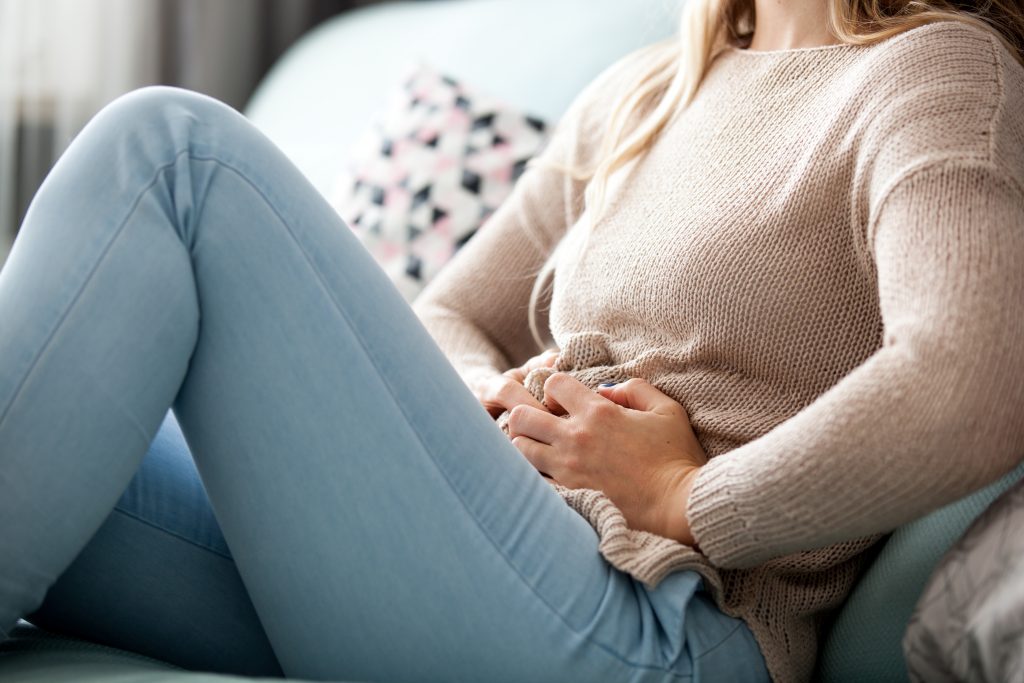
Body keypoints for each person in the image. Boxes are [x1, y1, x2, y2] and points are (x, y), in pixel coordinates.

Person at [1, 0, 1022, 679]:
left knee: (175, 154)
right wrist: (493, 406)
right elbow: (449, 314)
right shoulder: (651, 87)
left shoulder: (934, 74)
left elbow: (972, 379)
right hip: (492, 545)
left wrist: (687, 498)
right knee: (72, 434)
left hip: (651, 619)